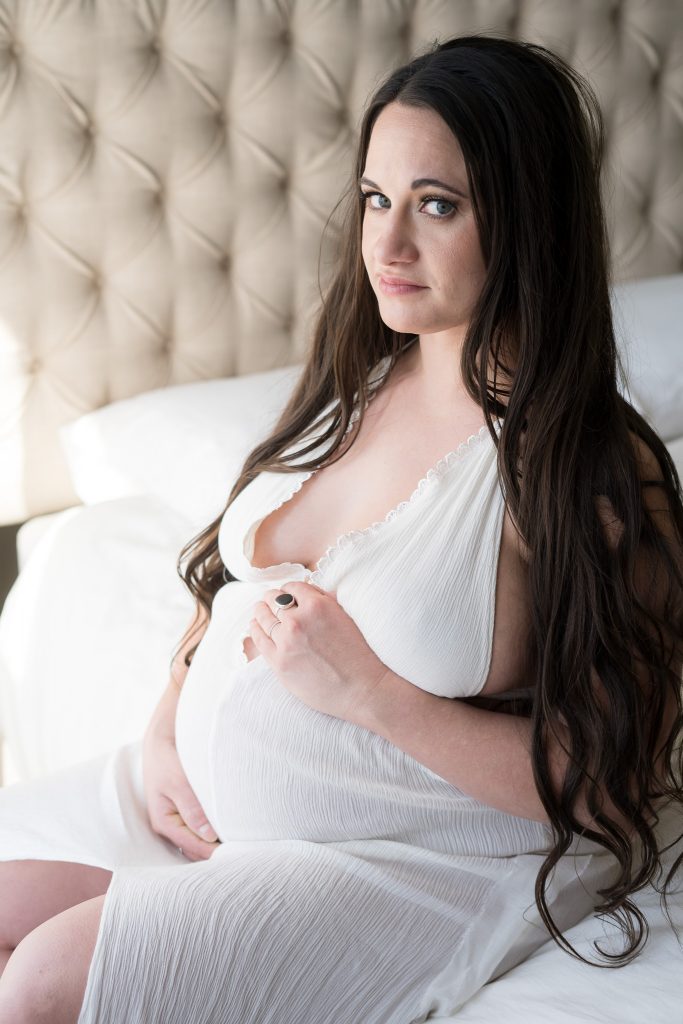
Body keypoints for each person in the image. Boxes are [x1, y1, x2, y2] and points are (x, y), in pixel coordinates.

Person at [0, 32, 682, 1024]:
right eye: (375, 198)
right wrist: (166, 723)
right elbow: (228, 582)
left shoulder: (580, 470)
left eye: (435, 204)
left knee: (37, 986)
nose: (387, 245)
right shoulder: (362, 375)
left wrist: (367, 692)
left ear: (525, 218)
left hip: (409, 863)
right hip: (207, 811)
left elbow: (609, 788)